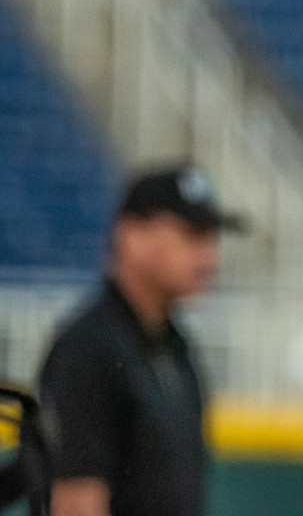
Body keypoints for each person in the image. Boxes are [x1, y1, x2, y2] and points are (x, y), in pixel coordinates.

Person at [37, 163, 244, 516]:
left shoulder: (174, 348)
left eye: (212, 239)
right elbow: (76, 504)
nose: (209, 258)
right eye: (192, 235)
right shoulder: (89, 349)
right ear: (131, 235)